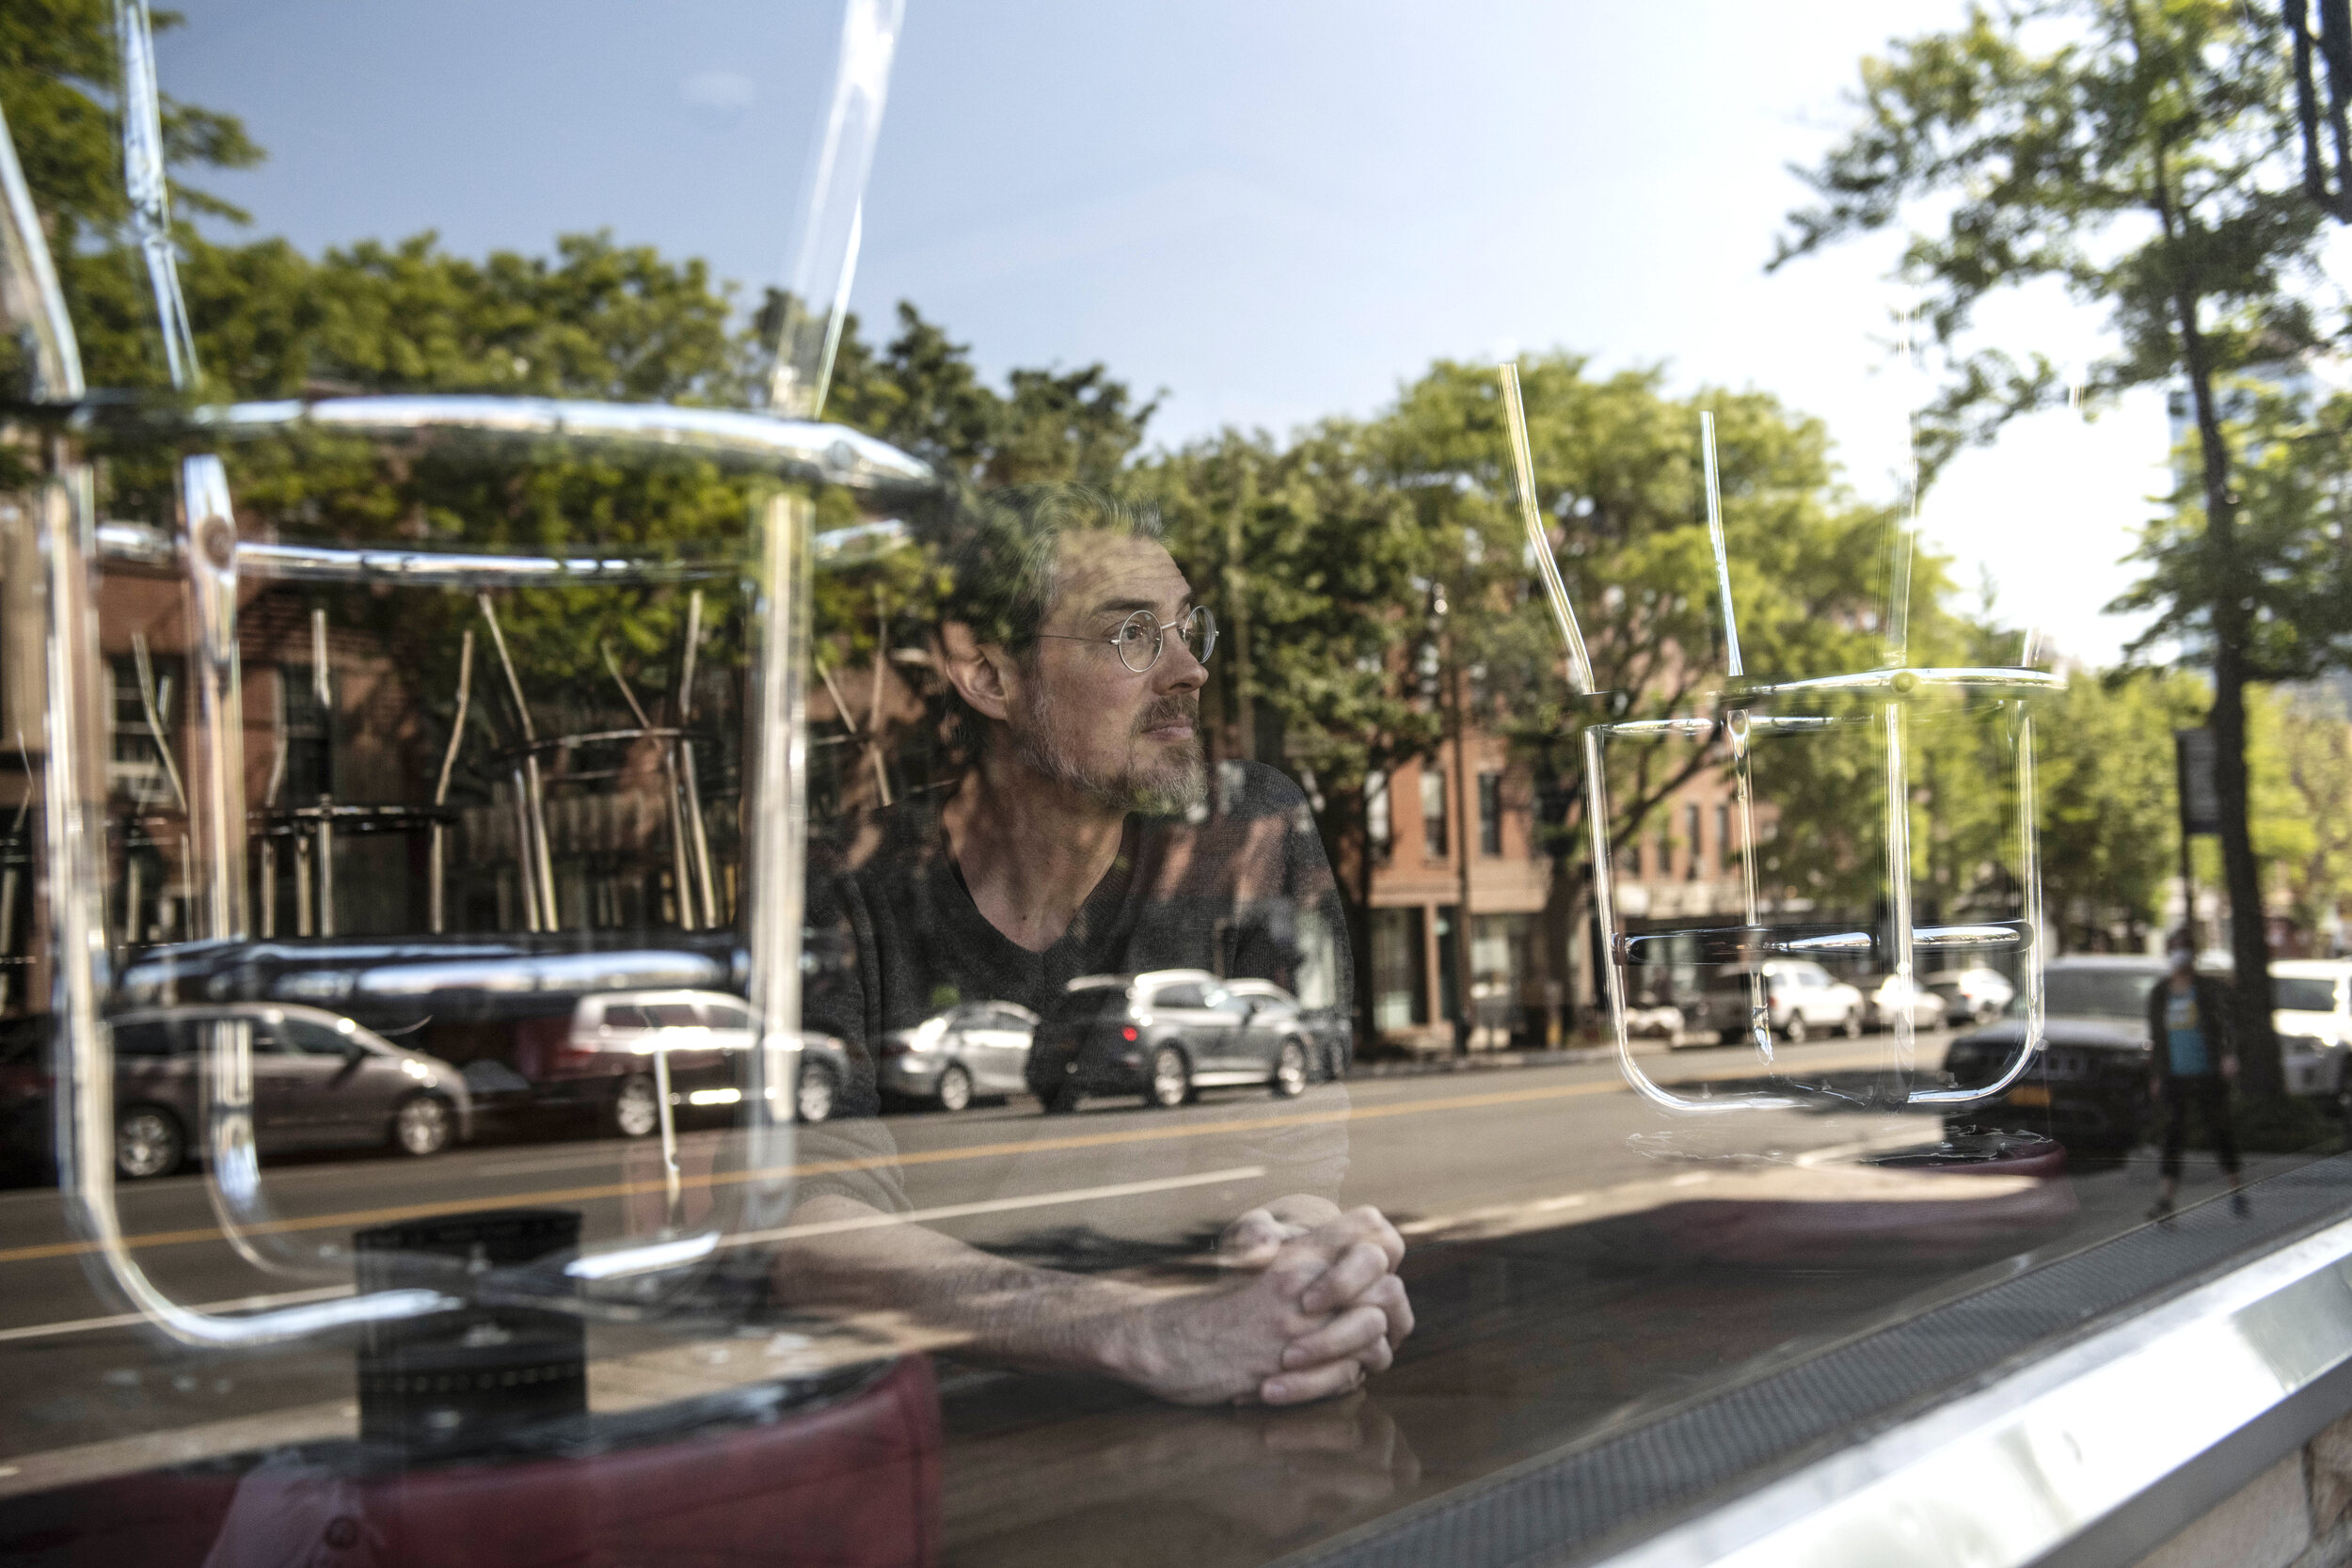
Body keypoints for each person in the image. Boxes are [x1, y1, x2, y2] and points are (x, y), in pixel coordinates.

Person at [774, 484, 1411, 1406]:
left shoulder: (1251, 828)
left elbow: (1291, 1174)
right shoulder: (847, 881)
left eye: (1189, 628)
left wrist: (1316, 1278)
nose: (1188, 668)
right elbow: (810, 1232)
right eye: (1131, 633)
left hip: (1213, 1437)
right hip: (930, 1445)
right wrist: (1141, 1329)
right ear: (990, 675)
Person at [2146, 936, 2247, 1221]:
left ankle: (2237, 1190)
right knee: (2172, 1136)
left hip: (2207, 1073)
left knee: (2219, 1131)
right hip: (2174, 1075)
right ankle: (2166, 1199)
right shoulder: (2160, 994)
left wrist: (2228, 1054)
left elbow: (2227, 1022)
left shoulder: (2207, 990)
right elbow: (2156, 1037)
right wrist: (2157, 1075)